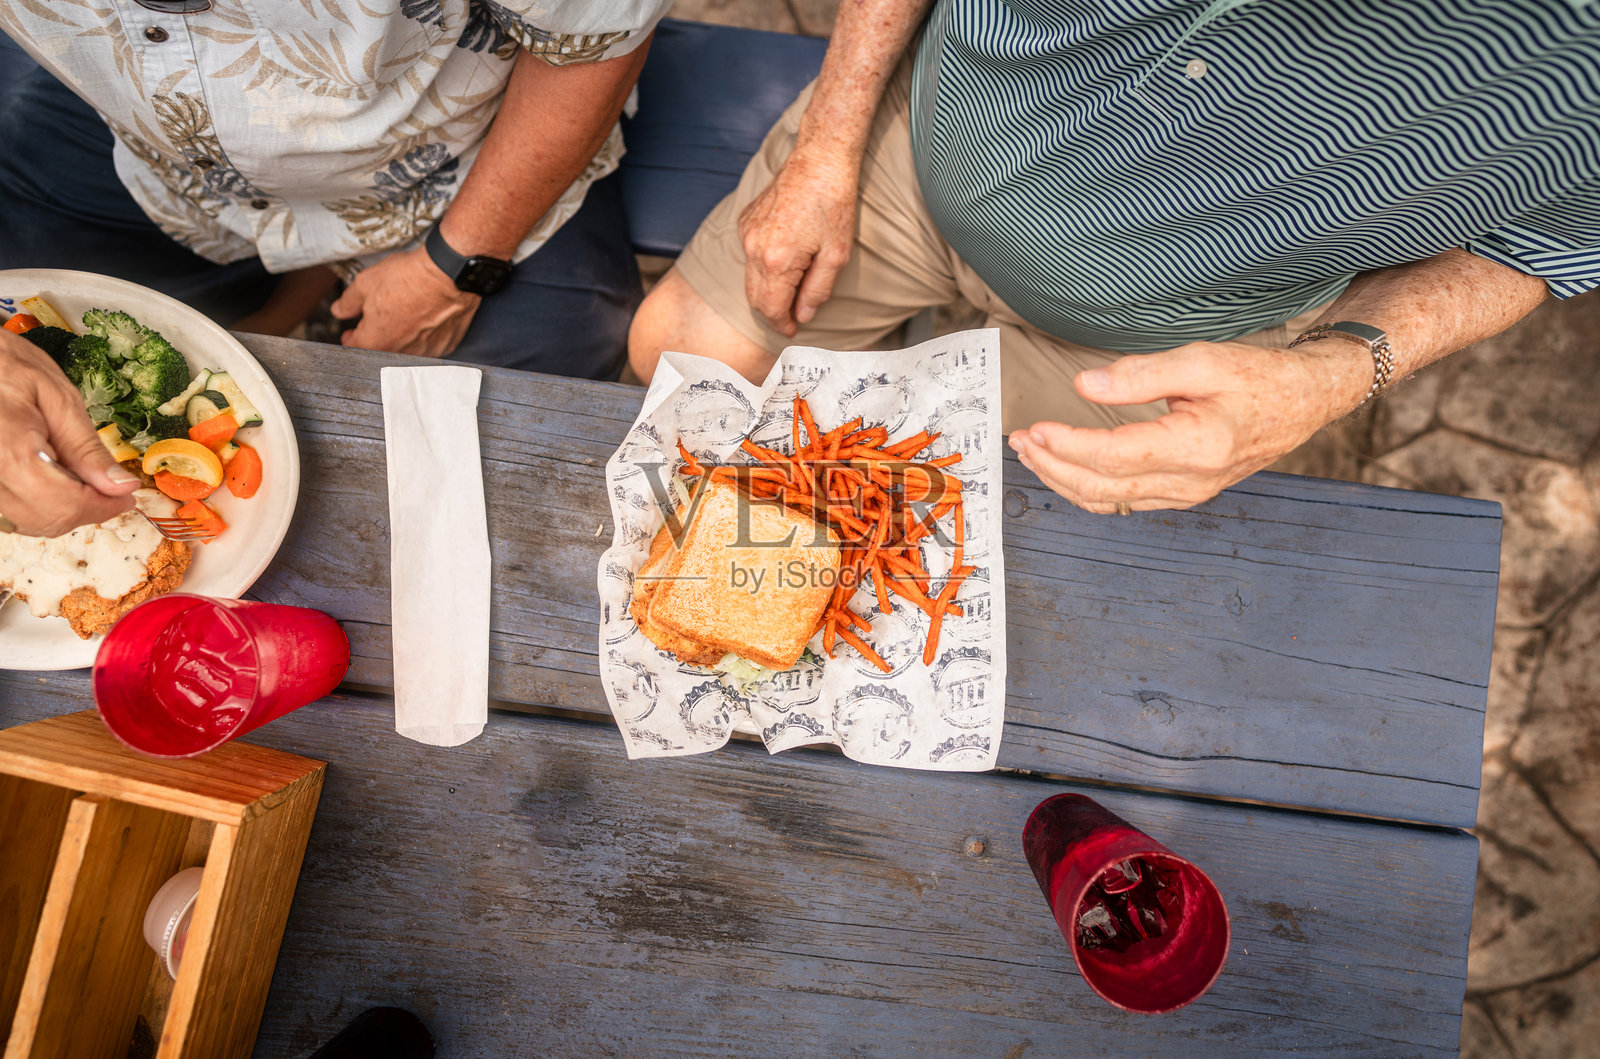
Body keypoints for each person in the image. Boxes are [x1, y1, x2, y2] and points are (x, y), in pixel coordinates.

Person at [629, 0, 1600, 515]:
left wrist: (1332, 378)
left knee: (934, 540)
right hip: (920, 150)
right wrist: (828, 144)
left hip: (1172, 336)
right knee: (670, 362)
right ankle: (927, 334)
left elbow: (1543, 244)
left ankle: (937, 349)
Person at [0, 1, 671, 536]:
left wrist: (453, 270)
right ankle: (284, 305)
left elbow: (596, 35)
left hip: (453, 160)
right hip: (158, 155)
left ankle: (293, 298)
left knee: (515, 436)